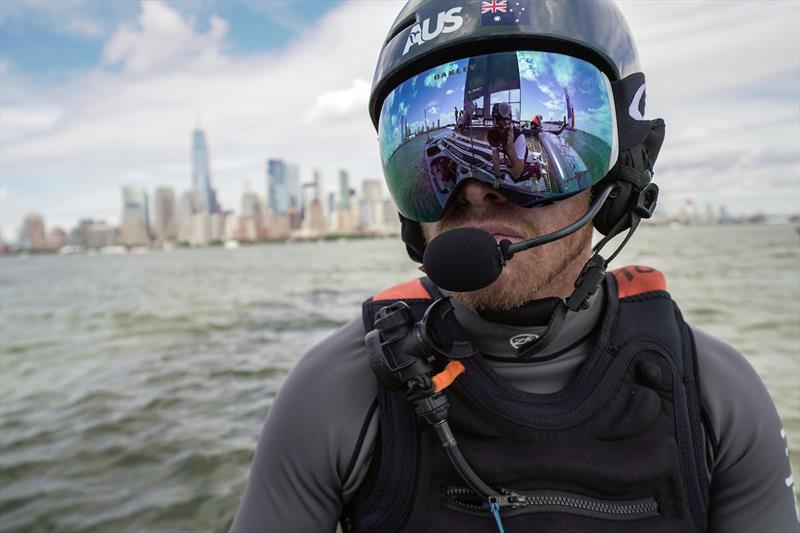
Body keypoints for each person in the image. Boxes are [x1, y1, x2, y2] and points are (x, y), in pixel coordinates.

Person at [231, 2, 799, 532]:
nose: (475, 190)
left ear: (619, 173)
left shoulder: (716, 396)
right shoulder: (337, 393)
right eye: (444, 162)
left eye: (522, 168)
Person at [488, 102, 527, 182]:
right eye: (497, 121)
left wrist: (510, 148)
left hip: (519, 158)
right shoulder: (494, 134)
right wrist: (497, 176)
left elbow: (516, 174)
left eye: (504, 122)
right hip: (507, 157)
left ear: (509, 122)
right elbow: (495, 157)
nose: (500, 128)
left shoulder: (519, 138)